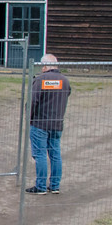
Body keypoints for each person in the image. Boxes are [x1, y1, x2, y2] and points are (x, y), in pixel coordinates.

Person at [26, 54, 71, 195]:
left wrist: (30, 117)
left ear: (44, 66)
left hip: (40, 123)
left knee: (40, 155)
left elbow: (32, 101)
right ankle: (55, 185)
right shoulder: (65, 80)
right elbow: (67, 94)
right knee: (55, 154)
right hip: (57, 123)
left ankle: (40, 186)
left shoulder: (40, 80)